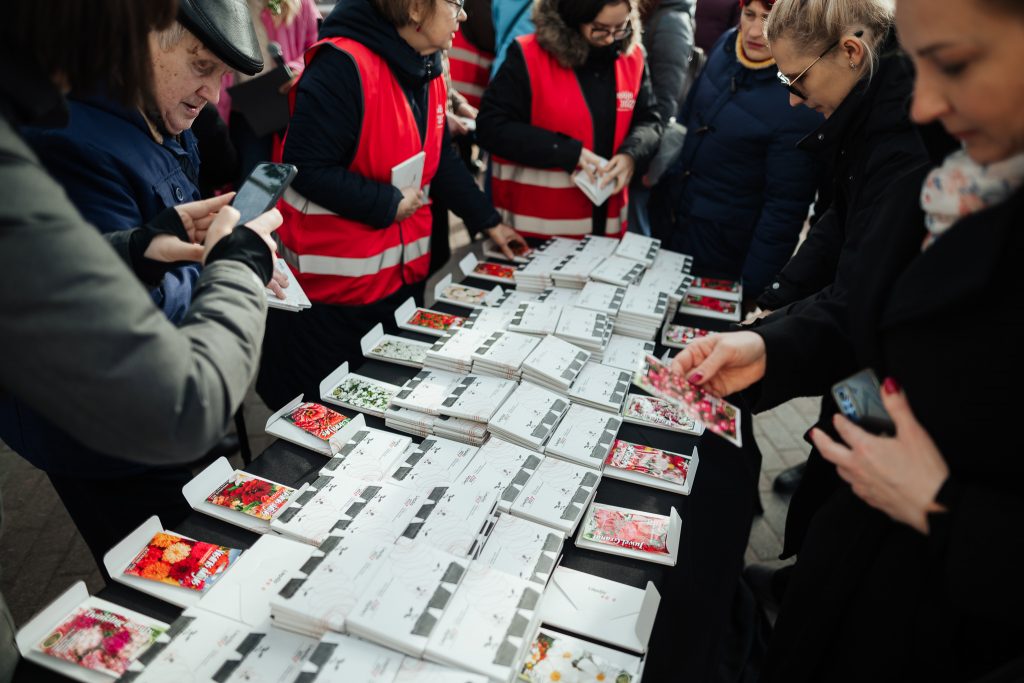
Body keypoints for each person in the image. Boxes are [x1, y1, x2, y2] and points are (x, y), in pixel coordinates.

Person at [672, 0, 1024, 678]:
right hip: (863, 568)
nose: (923, 104)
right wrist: (771, 345)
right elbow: (865, 299)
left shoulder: (918, 155)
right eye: (917, 65)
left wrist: (942, 507)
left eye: (950, 63)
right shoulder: (961, 173)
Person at [0, 0, 284, 675]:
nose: (210, 93)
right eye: (199, 67)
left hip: (130, 399)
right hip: (101, 431)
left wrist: (145, 241)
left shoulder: (147, 109)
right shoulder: (66, 132)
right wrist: (236, 265)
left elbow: (89, 258)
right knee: (167, 589)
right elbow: (172, 394)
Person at [257, 0, 527, 410]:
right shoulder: (343, 65)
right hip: (334, 301)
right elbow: (305, 168)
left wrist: (488, 222)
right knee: (327, 423)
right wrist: (387, 203)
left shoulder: (428, 63)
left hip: (397, 286)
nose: (466, 14)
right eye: (455, 3)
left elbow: (438, 158)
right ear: (416, 9)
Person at [650, 0, 821, 296]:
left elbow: (783, 209)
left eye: (769, 20)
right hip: (671, 227)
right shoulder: (727, 44)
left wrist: (751, 290)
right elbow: (689, 119)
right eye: (749, 15)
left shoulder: (798, 99)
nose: (755, 31)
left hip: (723, 253)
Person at [477, 0, 662, 238]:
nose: (610, 39)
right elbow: (490, 127)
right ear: (575, 19)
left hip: (606, 235)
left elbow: (650, 120)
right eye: (600, 29)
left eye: (621, 27)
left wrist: (631, 155)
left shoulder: (633, 57)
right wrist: (565, 151)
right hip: (533, 235)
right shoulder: (528, 54)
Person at [217, 0, 321, 182]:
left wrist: (297, 69)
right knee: (250, 180)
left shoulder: (299, 5)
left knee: (293, 176)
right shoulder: (221, 5)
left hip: (286, 104)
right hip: (242, 113)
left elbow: (318, 46)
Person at [626, 0, 695, 237]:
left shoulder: (671, 22)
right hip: (635, 143)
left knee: (635, 228)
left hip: (643, 151)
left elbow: (665, 101)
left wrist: (647, 162)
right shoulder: (656, 13)